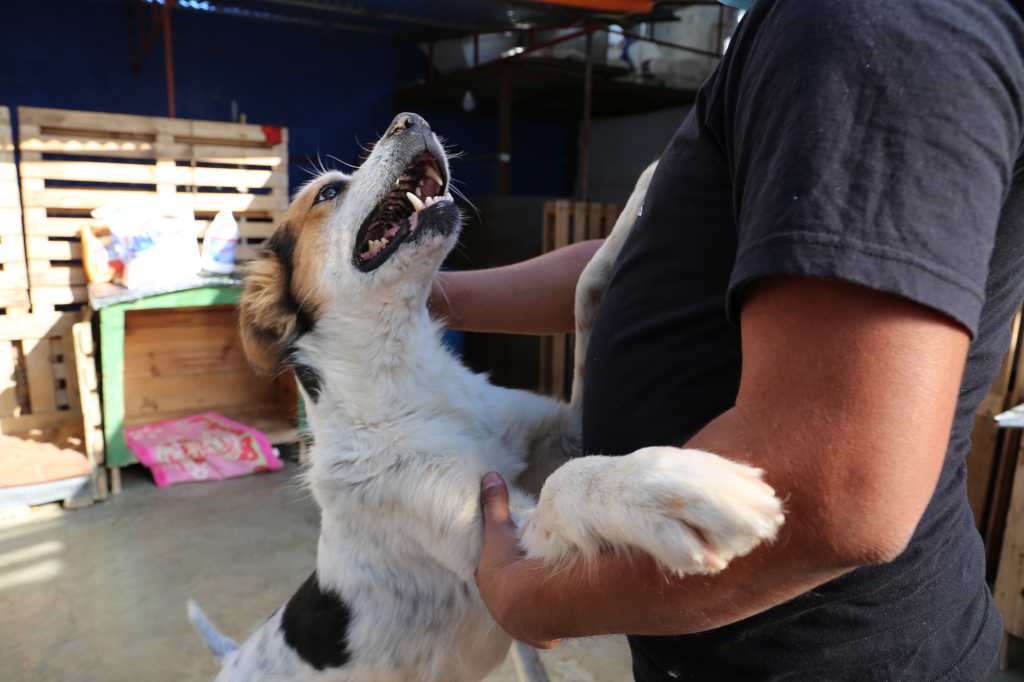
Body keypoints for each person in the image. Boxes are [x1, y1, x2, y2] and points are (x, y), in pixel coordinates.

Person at [430, 0, 1024, 679]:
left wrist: (535, 600)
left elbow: (837, 493)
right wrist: (425, 298)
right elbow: (645, 261)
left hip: (825, 656)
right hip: (729, 640)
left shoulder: (874, 21)